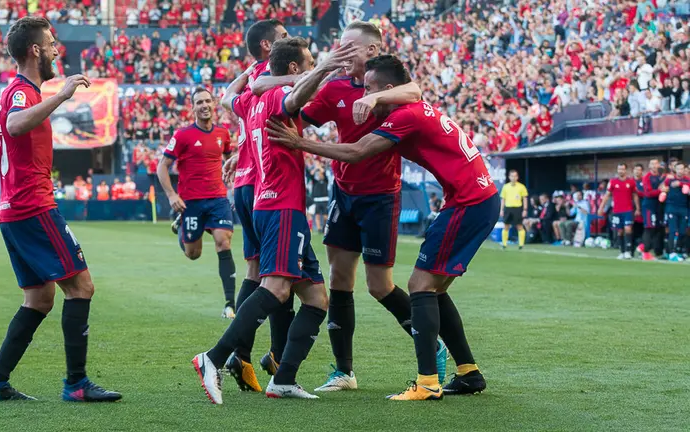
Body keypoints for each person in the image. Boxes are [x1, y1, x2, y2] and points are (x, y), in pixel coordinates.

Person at [266, 55, 499, 401]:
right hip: (476, 197)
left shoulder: (404, 116)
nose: (364, 93)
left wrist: (301, 144)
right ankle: (468, 372)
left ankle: (427, 383)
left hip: (469, 201)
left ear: (388, 90)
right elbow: (408, 92)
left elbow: (359, 151)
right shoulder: (410, 105)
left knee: (419, 284)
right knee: (433, 288)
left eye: (371, 88)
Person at [192, 37, 357, 403]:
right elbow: (294, 99)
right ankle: (213, 358)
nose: (315, 65)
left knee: (315, 299)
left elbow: (229, 96)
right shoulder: (273, 98)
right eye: (309, 62)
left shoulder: (250, 99)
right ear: (295, 68)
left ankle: (283, 379)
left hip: (271, 203)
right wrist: (327, 67)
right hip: (281, 204)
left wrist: (258, 76)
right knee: (277, 288)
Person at [0, 17, 121, 402]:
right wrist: (60, 96)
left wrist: (16, 177)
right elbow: (15, 124)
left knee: (39, 299)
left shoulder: (15, 92)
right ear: (35, 50)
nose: (58, 49)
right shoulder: (23, 92)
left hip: (14, 210)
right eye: (52, 43)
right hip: (34, 208)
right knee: (82, 286)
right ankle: (76, 384)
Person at [300, 20, 445, 392]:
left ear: (371, 51)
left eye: (348, 47)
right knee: (338, 279)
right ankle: (343, 371)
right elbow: (298, 113)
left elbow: (417, 91)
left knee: (380, 286)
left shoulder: (393, 88)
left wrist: (376, 97)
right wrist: (318, 71)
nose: (340, 52)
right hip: (343, 193)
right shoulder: (334, 89)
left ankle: (433, 344)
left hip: (381, 195)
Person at [218, 18, 292, 391]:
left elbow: (226, 97)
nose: (289, 39)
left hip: (246, 185)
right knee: (281, 277)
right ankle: (276, 357)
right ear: (267, 46)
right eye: (282, 37)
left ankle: (242, 355)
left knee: (256, 271)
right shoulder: (277, 74)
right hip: (268, 185)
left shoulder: (250, 81)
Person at [156, 87, 236, 319]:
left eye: (207, 101)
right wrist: (172, 195)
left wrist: (231, 168)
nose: (204, 105)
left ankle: (230, 304)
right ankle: (182, 225)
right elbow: (162, 167)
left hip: (218, 199)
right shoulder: (182, 136)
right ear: (192, 108)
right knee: (193, 254)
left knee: (224, 242)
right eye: (199, 102)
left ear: (214, 105)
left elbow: (228, 156)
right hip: (191, 202)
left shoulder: (223, 134)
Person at [598, 163, 641, 259]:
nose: (620, 171)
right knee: (620, 231)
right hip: (617, 211)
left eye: (622, 169)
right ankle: (622, 251)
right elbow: (607, 195)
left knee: (628, 229)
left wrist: (638, 208)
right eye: (619, 169)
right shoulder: (613, 182)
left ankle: (628, 251)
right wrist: (601, 207)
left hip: (628, 210)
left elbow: (635, 195)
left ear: (626, 170)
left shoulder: (631, 182)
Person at [660, 161, 689, 262]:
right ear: (675, 170)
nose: (680, 171)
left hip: (683, 208)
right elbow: (662, 188)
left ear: (684, 170)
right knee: (672, 230)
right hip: (671, 207)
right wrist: (663, 191)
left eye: (682, 169)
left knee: (682, 232)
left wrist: (681, 184)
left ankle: (678, 251)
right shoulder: (670, 179)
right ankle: (671, 253)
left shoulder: (687, 180)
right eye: (678, 169)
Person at [640, 159, 664, 261]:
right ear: (649, 166)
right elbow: (648, 193)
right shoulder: (647, 177)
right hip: (649, 206)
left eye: (656, 164)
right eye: (652, 164)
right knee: (649, 228)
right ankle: (645, 252)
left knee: (658, 228)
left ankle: (649, 249)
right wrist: (660, 190)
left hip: (658, 206)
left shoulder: (661, 176)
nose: (654, 166)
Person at [500, 170, 528, 250]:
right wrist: (501, 210)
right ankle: (504, 244)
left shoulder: (521, 187)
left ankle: (521, 245)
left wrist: (525, 209)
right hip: (508, 208)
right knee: (506, 226)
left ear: (517, 177)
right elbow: (503, 199)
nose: (513, 178)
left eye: (515, 176)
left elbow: (525, 198)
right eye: (512, 176)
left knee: (519, 226)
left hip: (517, 208)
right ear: (509, 177)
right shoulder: (506, 187)